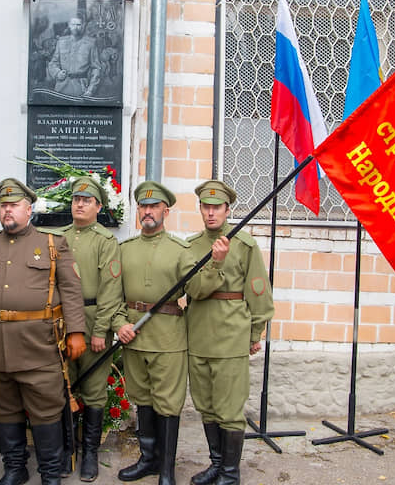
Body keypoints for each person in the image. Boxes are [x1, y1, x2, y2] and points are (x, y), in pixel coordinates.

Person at [0, 178, 86, 485]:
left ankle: (50, 473)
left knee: (47, 410)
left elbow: (72, 291)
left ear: (29, 209)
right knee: (5, 408)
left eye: (13, 206)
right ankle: (15, 468)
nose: (7, 211)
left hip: (40, 347)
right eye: (3, 206)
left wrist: (77, 332)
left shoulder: (52, 244)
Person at [114, 181, 227, 485]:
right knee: (142, 399)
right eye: (143, 206)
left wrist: (215, 264)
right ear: (138, 210)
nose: (148, 212)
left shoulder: (180, 250)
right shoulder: (124, 249)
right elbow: (112, 295)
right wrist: (118, 324)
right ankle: (148, 460)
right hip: (133, 337)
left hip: (168, 339)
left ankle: (167, 469)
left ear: (166, 211)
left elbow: (198, 289)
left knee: (167, 403)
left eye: (154, 207)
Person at [186, 180, 274, 485]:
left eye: (216, 207)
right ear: (199, 209)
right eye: (205, 207)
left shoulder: (245, 244)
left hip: (231, 336)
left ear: (227, 210)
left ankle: (231, 473)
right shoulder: (191, 245)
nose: (211, 213)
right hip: (198, 334)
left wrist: (255, 333)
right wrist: (216, 264)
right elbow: (194, 290)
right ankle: (216, 464)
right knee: (206, 405)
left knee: (229, 408)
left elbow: (258, 292)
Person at [57, 176, 124, 482]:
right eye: (76, 199)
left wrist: (100, 331)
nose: (79, 204)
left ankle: (90, 454)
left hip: (93, 320)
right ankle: (67, 449)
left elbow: (111, 290)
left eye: (86, 200)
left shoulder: (105, 241)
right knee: (65, 386)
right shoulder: (59, 239)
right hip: (62, 325)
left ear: (99, 206)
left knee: (95, 391)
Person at [47, 15, 102, 98]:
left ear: (83, 25)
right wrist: (57, 73)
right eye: (73, 24)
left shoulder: (90, 43)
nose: (75, 27)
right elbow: (53, 63)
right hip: (61, 87)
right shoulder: (61, 42)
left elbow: (96, 68)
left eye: (78, 25)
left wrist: (90, 90)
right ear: (69, 25)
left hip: (81, 88)